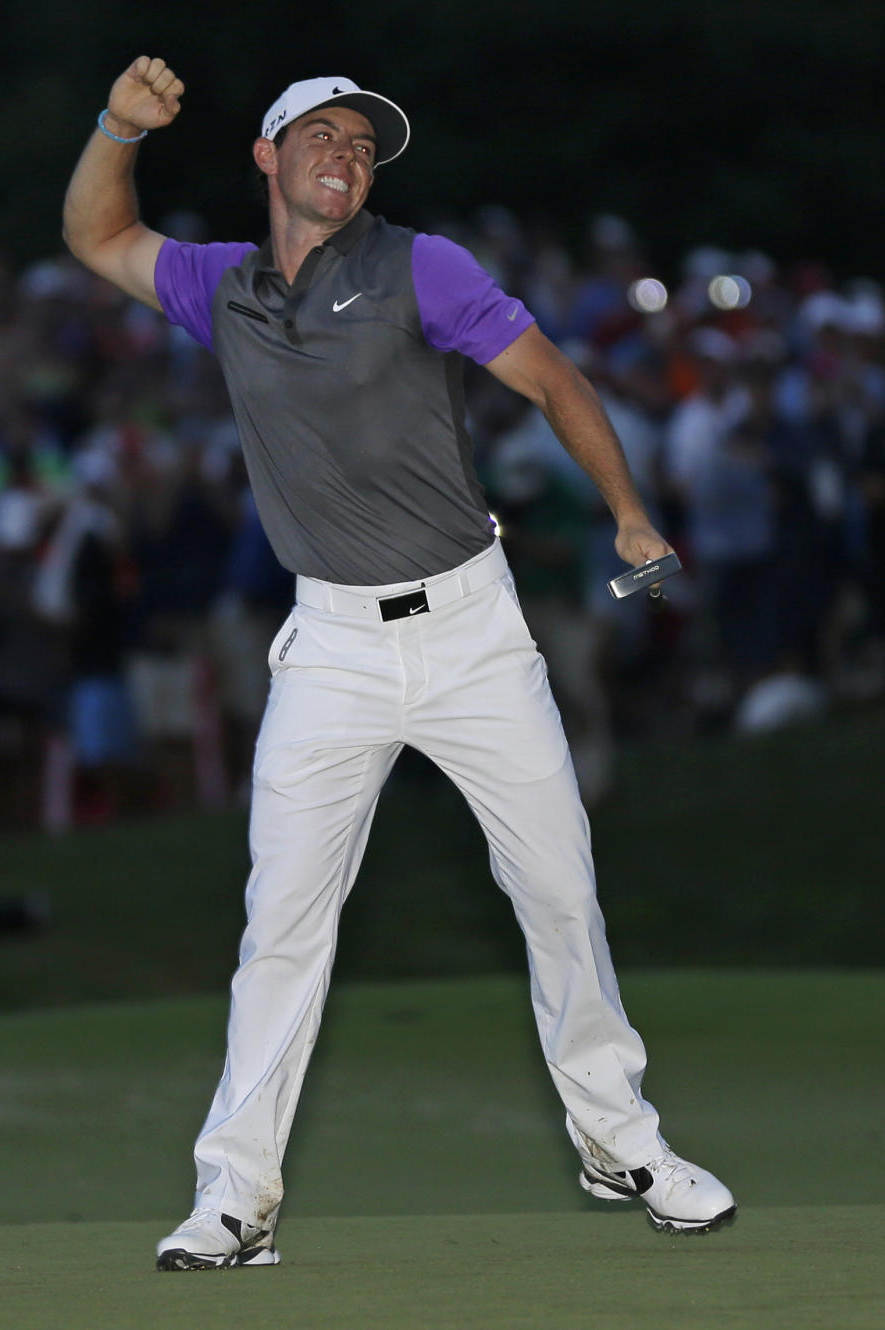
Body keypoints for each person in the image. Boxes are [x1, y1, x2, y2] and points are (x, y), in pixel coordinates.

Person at [63, 55, 736, 1270]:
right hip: (329, 645)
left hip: (473, 631)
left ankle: (619, 1138)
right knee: (282, 922)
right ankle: (236, 1194)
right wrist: (119, 125)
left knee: (560, 893)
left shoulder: (422, 265)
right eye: (321, 134)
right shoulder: (218, 286)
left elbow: (551, 377)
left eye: (365, 144)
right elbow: (96, 231)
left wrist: (627, 510)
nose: (348, 155)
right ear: (268, 158)